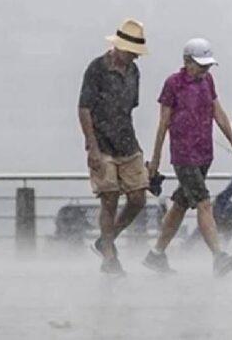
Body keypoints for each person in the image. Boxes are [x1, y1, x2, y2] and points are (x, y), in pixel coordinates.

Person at [143, 37, 232, 277]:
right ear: (187, 61)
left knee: (180, 204)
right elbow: (163, 123)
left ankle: (156, 254)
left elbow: (217, 112)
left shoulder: (208, 81)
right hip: (184, 156)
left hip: (204, 153)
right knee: (204, 202)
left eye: (208, 65)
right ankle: (219, 257)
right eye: (201, 65)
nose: (205, 70)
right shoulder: (173, 84)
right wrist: (156, 159)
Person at [78, 18, 150, 275]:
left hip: (128, 143)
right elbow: (84, 108)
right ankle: (109, 256)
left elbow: (129, 109)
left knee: (138, 197)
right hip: (102, 144)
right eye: (132, 52)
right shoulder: (96, 69)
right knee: (109, 199)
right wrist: (92, 147)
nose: (135, 57)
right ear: (119, 47)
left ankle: (107, 239)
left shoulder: (134, 72)